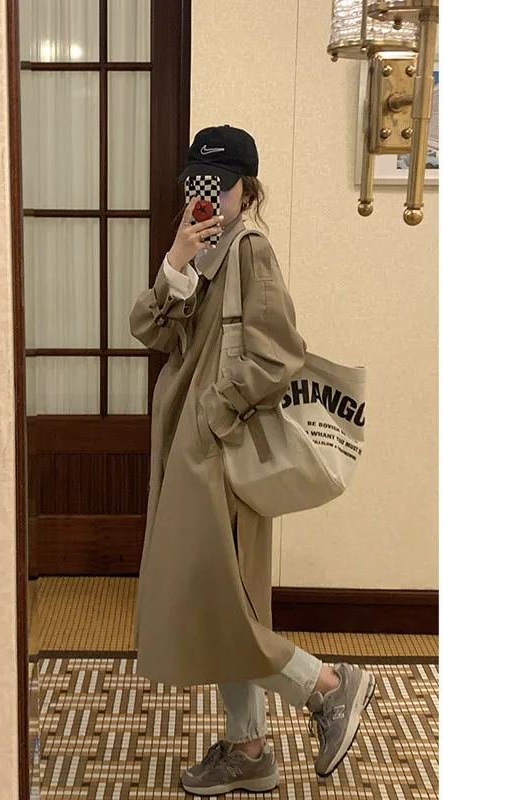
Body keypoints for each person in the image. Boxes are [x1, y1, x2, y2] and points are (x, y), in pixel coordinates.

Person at [129, 125, 376, 796]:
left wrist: (213, 416)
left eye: (222, 184)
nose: (208, 194)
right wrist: (176, 259)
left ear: (248, 188)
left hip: (218, 457)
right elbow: (148, 329)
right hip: (192, 454)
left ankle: (327, 686)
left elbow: (279, 352)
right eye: (199, 182)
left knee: (215, 605)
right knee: (223, 601)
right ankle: (249, 747)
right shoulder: (202, 249)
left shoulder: (250, 251)